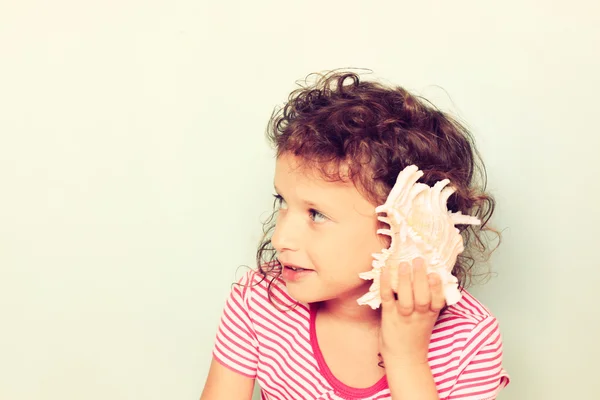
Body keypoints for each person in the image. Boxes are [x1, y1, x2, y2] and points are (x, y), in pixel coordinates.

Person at [200, 70, 510, 400]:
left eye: (317, 214)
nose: (280, 239)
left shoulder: (468, 341)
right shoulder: (259, 302)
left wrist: (406, 358)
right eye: (283, 202)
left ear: (408, 227)